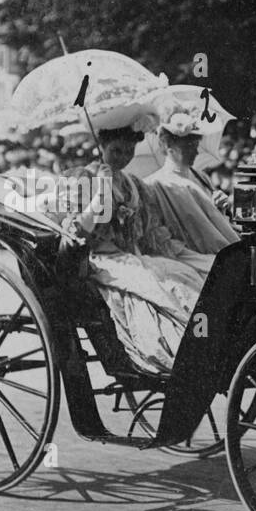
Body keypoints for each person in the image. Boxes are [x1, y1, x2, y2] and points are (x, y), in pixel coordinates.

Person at [63, 124, 210, 376]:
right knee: (153, 285)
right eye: (116, 151)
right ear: (103, 146)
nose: (122, 158)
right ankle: (181, 350)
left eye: (128, 152)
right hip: (102, 260)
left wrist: (185, 256)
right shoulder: (83, 178)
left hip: (135, 256)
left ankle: (205, 342)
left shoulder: (135, 185)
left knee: (182, 277)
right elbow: (76, 234)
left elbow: (151, 233)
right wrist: (100, 195)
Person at [145, 107, 239, 257]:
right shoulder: (155, 184)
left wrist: (219, 208)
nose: (195, 152)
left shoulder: (201, 177)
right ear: (168, 146)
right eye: (188, 146)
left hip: (217, 250)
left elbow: (213, 224)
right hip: (186, 254)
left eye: (196, 146)